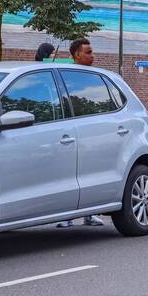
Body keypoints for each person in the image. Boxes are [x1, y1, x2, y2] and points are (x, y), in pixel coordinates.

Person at [57, 38, 105, 228]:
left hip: (90, 133)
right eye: (88, 52)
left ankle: (90, 213)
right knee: (68, 173)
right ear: (76, 55)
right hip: (70, 132)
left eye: (92, 52)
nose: (92, 56)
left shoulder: (94, 77)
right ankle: (66, 215)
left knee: (90, 173)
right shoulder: (67, 77)